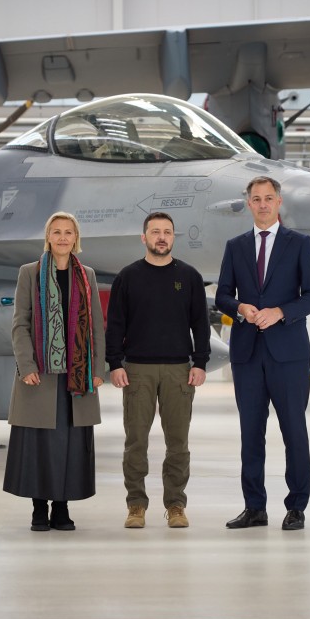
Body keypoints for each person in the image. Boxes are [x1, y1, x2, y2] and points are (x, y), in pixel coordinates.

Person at [215, 176, 310, 531]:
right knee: (251, 433)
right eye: (256, 199)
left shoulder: (300, 244)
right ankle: (254, 507)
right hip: (247, 353)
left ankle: (296, 507)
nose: (262, 204)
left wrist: (281, 312)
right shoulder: (236, 246)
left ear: (279, 202)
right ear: (248, 204)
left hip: (289, 354)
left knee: (294, 430)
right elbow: (222, 296)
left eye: (268, 198)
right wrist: (240, 308)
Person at [106, 212, 211, 529]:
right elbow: (116, 325)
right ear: (144, 238)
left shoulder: (190, 277)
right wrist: (114, 364)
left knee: (177, 443)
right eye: (155, 232)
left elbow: (200, 325)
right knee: (135, 442)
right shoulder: (128, 277)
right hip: (137, 371)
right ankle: (136, 505)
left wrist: (201, 362)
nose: (161, 237)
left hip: (179, 371)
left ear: (173, 237)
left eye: (167, 232)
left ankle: (176, 505)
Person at [3, 212, 106, 531]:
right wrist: (26, 365)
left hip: (78, 372)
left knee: (70, 441)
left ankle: (61, 508)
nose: (63, 238)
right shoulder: (29, 273)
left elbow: (97, 326)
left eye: (69, 232)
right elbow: (20, 324)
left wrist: (98, 367)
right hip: (40, 372)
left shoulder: (86, 274)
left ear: (76, 238)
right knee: (40, 442)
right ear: (48, 237)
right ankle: (39, 509)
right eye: (57, 232)